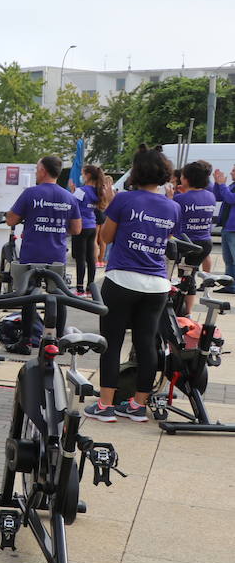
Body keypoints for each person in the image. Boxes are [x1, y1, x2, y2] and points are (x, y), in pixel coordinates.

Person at [85, 148, 179, 424]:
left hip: (123, 279)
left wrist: (112, 206)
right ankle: (138, 406)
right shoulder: (172, 206)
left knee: (111, 342)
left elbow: (106, 236)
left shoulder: (124, 199)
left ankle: (106, 405)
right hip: (158, 284)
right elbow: (166, 238)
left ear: (136, 172)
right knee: (147, 342)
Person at [3, 155, 81, 353]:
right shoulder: (68, 197)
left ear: (43, 171)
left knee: (29, 296)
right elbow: (77, 229)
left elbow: (11, 220)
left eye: (37, 169)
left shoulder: (30, 194)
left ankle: (27, 341)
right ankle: (59, 340)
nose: (36, 172)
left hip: (32, 255)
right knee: (59, 296)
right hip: (56, 256)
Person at [173, 160, 217, 314]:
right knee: (189, 277)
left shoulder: (179, 198)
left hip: (186, 243)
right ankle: (188, 313)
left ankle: (177, 310)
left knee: (182, 278)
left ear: (186, 179)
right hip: (205, 243)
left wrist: (172, 195)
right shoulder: (210, 196)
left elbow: (174, 214)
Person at [72, 164, 109, 294]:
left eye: (82, 174)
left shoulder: (81, 191)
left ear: (87, 175)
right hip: (92, 226)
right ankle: (90, 287)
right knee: (91, 258)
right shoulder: (97, 191)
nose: (81, 176)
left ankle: (80, 287)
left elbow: (72, 206)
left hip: (80, 227)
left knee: (80, 258)